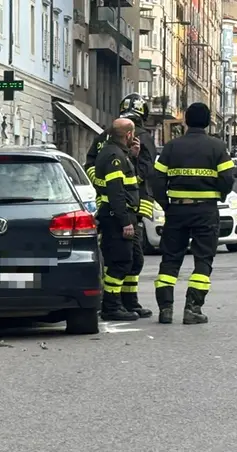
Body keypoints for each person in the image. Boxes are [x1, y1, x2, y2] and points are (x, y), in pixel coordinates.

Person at [151, 103, 234, 325]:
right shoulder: (217, 147)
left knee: (170, 258)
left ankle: (165, 309)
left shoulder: (171, 147)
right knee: (203, 258)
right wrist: (220, 195)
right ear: (208, 122)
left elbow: (157, 179)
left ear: (186, 120)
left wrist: (166, 204)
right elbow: (228, 178)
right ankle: (193, 308)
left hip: (177, 210)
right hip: (205, 210)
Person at [84, 93, 156, 318]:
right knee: (123, 259)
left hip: (120, 204)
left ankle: (128, 302)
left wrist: (104, 183)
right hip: (125, 207)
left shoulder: (105, 136)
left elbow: (91, 165)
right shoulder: (139, 137)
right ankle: (115, 304)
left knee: (132, 258)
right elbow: (144, 170)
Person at [93, 118, 142, 321]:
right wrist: (125, 222)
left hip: (122, 215)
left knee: (134, 260)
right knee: (119, 262)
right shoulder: (114, 156)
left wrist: (134, 157)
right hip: (116, 217)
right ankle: (111, 307)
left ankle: (127, 302)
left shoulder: (120, 154)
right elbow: (116, 193)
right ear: (129, 135)